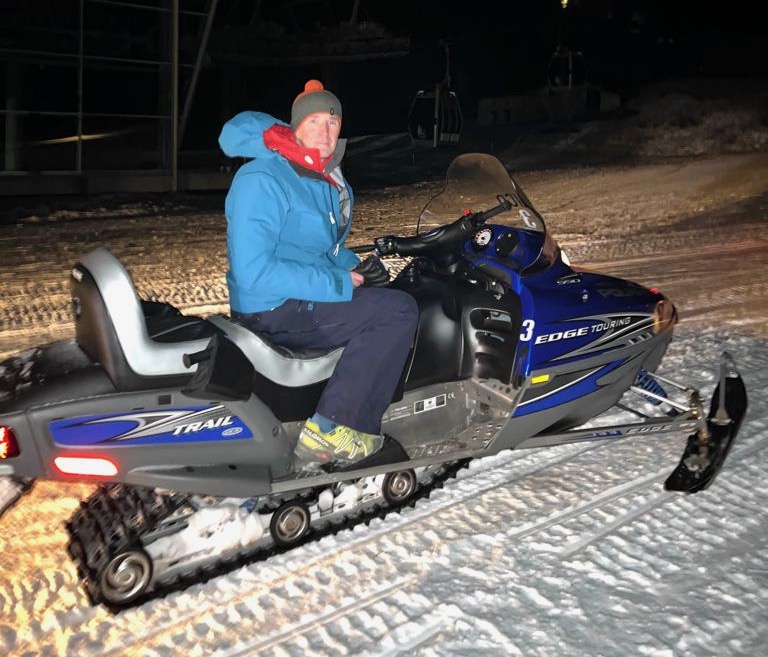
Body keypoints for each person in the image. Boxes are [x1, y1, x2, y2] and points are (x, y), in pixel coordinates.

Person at [218, 80, 418, 467]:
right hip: (271, 306)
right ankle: (335, 430)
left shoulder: (319, 177)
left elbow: (319, 249)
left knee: (388, 298)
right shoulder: (263, 179)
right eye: (315, 121)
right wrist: (339, 284)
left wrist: (353, 267)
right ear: (295, 127)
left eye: (333, 121)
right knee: (396, 311)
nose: (326, 132)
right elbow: (253, 270)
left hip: (297, 297)